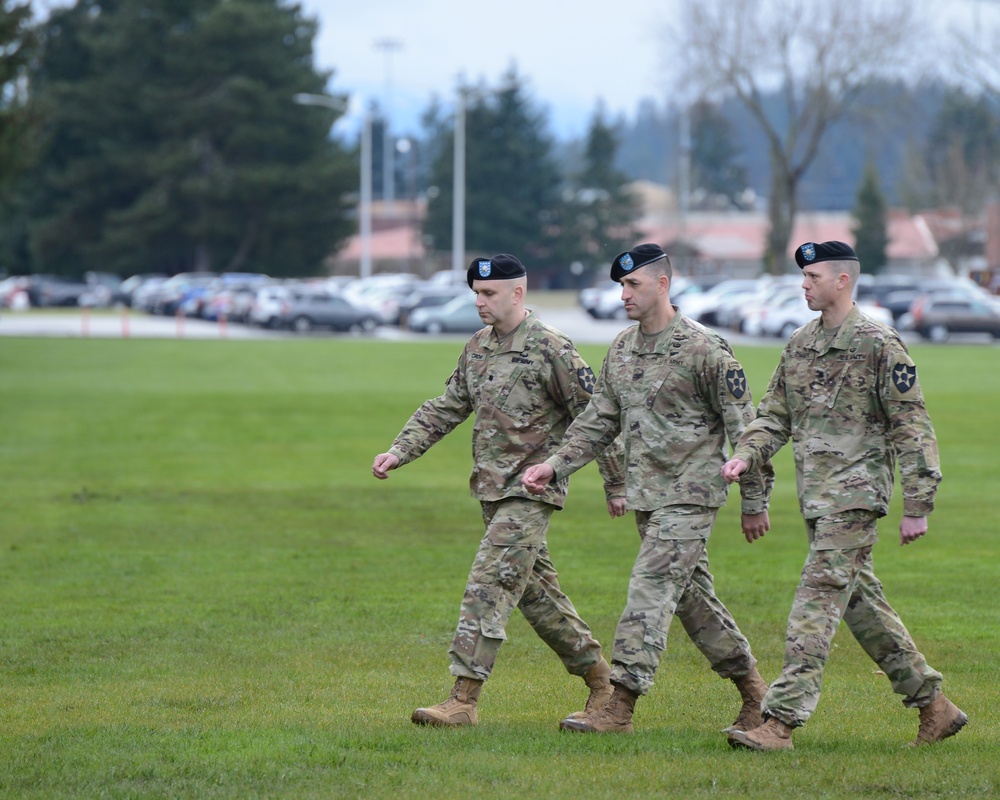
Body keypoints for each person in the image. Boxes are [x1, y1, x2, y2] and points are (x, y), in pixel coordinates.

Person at [721, 240, 967, 751]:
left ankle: (780, 723)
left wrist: (917, 505)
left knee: (814, 606)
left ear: (843, 280)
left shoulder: (879, 343)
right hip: (817, 499)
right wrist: (748, 453)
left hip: (856, 499)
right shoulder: (801, 344)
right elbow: (774, 417)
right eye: (803, 277)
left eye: (813, 277)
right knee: (861, 605)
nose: (804, 285)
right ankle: (934, 706)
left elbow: (912, 426)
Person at [522, 243, 773, 735]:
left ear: (663, 285)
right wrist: (555, 466)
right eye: (620, 285)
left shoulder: (706, 349)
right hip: (647, 495)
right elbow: (598, 423)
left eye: (633, 284)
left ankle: (620, 705)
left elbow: (749, 429)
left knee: (650, 587)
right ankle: (756, 693)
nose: (623, 295)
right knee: (692, 600)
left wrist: (754, 500)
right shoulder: (622, 347)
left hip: (693, 493)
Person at [372, 253, 628, 728]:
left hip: (532, 491)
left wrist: (616, 482)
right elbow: (447, 405)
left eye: (489, 294)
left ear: (517, 293)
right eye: (476, 294)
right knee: (538, 598)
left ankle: (463, 699)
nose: (480, 302)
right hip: (491, 492)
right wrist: (399, 451)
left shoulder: (552, 348)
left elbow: (595, 419)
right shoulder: (477, 347)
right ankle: (604, 684)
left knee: (488, 584)